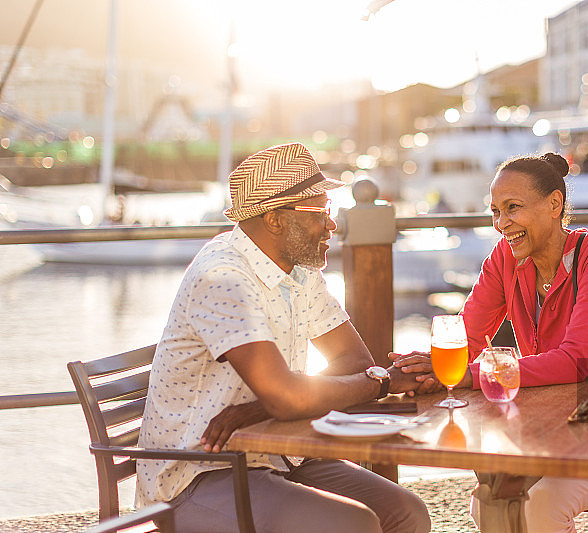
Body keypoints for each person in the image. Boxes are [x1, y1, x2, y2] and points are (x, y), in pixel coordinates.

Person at [136, 142, 431, 533]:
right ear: (275, 218)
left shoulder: (300, 269)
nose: (332, 224)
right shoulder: (224, 278)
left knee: (407, 511)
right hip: (202, 472)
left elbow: (354, 361)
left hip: (277, 454)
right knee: (353, 525)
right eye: (321, 212)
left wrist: (269, 405)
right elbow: (301, 392)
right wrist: (380, 384)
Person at [391, 152, 588, 533]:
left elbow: (576, 360)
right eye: (495, 211)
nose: (501, 223)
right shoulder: (504, 259)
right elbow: (467, 336)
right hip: (547, 419)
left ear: (554, 204)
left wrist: (471, 374)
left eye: (513, 208)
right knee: (489, 502)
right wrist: (426, 369)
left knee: (539, 507)